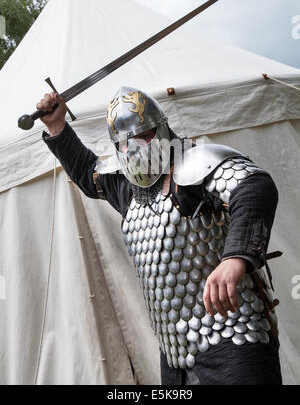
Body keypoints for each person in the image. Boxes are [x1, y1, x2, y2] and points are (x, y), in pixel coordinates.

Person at [37, 86, 282, 385]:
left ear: (162, 128)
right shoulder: (129, 190)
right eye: (126, 143)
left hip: (234, 339)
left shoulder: (196, 164)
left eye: (146, 135)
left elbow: (254, 188)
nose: (137, 147)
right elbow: (90, 174)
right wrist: (57, 127)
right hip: (175, 355)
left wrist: (235, 258)